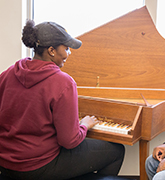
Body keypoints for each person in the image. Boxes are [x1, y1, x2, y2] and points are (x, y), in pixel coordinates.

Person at [0, 20, 125, 180]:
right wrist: (84, 125)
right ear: (51, 50)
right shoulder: (63, 82)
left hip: (5, 163)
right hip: (38, 165)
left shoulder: (7, 74)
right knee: (116, 151)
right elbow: (69, 141)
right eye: (66, 48)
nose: (68, 54)